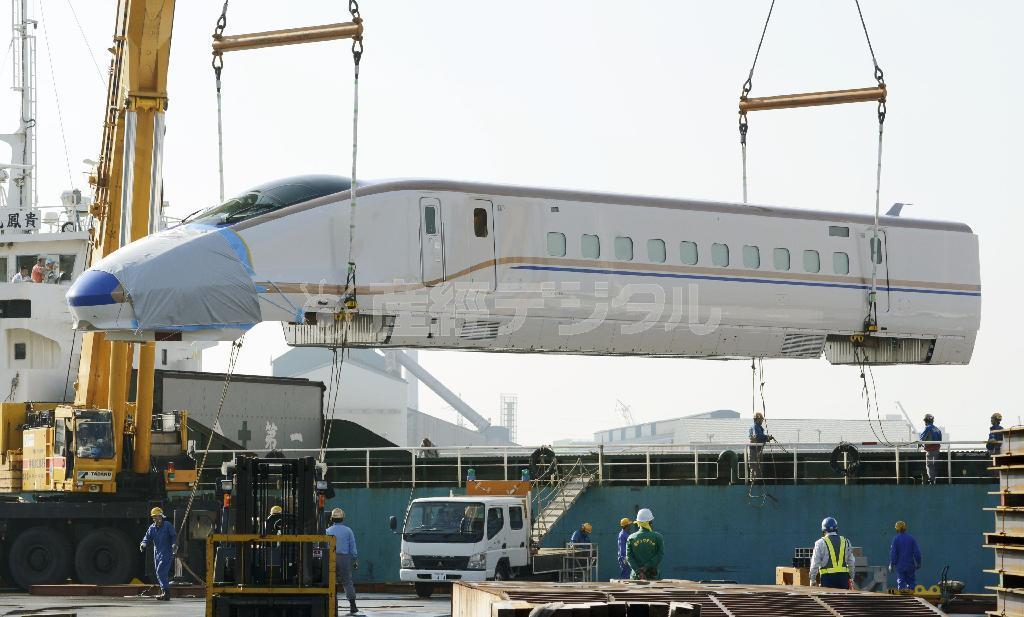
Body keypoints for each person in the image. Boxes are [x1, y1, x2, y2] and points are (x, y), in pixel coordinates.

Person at [139, 506, 177, 601]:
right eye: (155, 516)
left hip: (166, 552)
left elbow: (173, 536)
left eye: (158, 516)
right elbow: (147, 537)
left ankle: (166, 593)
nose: (157, 518)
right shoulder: (152, 528)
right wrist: (143, 544)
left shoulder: (167, 525)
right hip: (157, 553)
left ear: (162, 516)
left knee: (161, 572)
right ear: (153, 518)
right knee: (159, 572)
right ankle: (164, 592)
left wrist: (174, 544)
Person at [326, 507, 359, 615]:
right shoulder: (348, 530)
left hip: (331, 557)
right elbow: (352, 546)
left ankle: (333, 605)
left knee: (331, 582)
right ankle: (353, 605)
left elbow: (324, 546)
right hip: (344, 558)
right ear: (342, 518)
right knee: (347, 582)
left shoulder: (328, 531)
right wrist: (355, 559)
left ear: (332, 519)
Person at [809, 516, 856, 589]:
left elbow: (815, 563)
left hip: (827, 579)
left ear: (823, 529)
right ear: (836, 528)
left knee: (828, 597)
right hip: (843, 578)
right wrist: (852, 577)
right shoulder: (846, 541)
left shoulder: (820, 543)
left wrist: (812, 579)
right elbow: (851, 562)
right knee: (843, 597)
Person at [626, 508, 664, 581]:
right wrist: (646, 567)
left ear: (638, 522)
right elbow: (660, 554)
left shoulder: (631, 538)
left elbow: (629, 557)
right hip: (652, 576)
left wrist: (639, 572)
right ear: (650, 522)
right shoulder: (658, 537)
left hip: (636, 577)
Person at [889, 520, 922, 590]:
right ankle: (912, 594)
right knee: (911, 584)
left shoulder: (896, 539)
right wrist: (918, 563)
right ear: (905, 528)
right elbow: (917, 552)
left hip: (900, 566)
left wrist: (892, 565)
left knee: (901, 583)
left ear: (897, 529)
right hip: (910, 565)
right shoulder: (911, 538)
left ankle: (901, 595)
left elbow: (893, 553)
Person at [748, 412, 772, 481]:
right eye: (761, 419)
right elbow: (757, 436)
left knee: (759, 465)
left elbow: (760, 437)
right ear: (757, 419)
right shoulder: (755, 426)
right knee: (754, 465)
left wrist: (766, 438)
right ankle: (754, 480)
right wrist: (766, 437)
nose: (762, 421)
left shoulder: (758, 427)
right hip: (754, 449)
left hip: (758, 449)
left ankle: (758, 479)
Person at [919, 414, 942, 484]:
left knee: (929, 465)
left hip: (930, 450)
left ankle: (932, 480)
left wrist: (920, 443)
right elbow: (940, 440)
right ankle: (935, 479)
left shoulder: (928, 428)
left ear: (926, 421)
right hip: (937, 450)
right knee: (935, 465)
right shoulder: (937, 429)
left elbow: (922, 438)